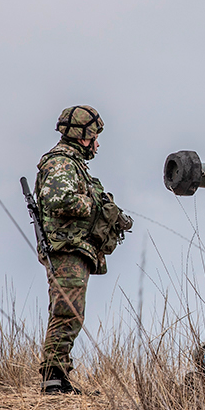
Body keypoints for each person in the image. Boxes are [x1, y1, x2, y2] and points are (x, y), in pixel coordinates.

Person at [34, 105, 132, 394]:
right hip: (66, 249)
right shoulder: (61, 163)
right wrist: (95, 205)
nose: (97, 145)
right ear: (83, 136)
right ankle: (53, 381)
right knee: (67, 312)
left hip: (74, 249)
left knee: (72, 313)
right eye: (95, 137)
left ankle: (58, 378)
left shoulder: (73, 164)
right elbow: (58, 200)